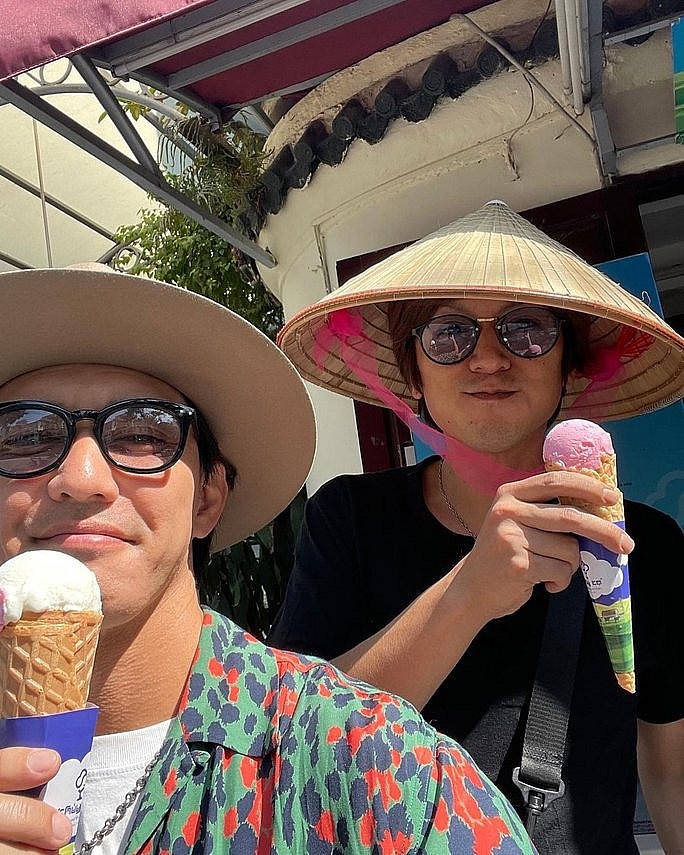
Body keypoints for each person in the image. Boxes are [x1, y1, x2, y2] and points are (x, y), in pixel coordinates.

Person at [0, 263, 537, 854]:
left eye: (144, 434)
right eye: (25, 436)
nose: (81, 479)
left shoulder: (379, 775)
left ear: (209, 498)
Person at [269, 201, 684, 854]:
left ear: (569, 362)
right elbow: (292, 742)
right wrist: (467, 593)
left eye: (526, 330)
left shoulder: (647, 545)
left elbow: (670, 760)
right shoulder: (349, 520)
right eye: (448, 333)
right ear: (414, 372)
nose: (488, 359)